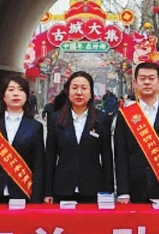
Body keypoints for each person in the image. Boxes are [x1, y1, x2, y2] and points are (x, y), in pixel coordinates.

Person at [114, 61, 159, 203]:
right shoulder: (125, 115)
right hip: (134, 188)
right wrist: (123, 192)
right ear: (135, 83)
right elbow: (120, 156)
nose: (147, 82)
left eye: (151, 78)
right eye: (142, 78)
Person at [0, 73, 45, 203]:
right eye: (11, 90)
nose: (16, 94)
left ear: (26, 96)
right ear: (3, 96)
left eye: (21, 90)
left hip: (23, 191)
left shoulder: (35, 127)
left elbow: (38, 166)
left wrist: (36, 198)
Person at [44, 71, 113, 203]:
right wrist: (47, 191)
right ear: (68, 92)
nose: (79, 92)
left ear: (91, 93)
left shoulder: (102, 119)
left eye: (84, 88)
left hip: (93, 188)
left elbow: (107, 157)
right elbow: (50, 157)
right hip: (62, 188)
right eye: (74, 88)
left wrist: (108, 192)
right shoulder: (55, 119)